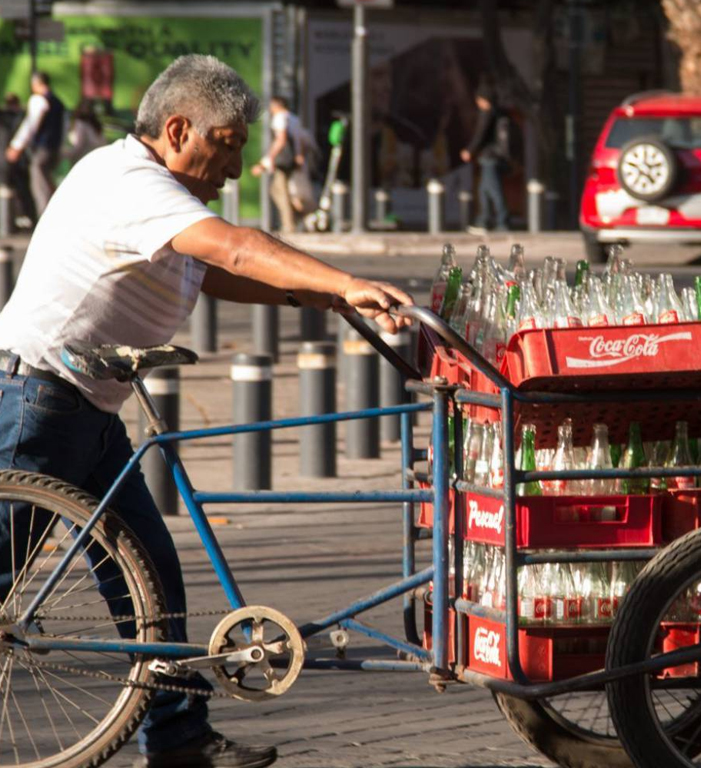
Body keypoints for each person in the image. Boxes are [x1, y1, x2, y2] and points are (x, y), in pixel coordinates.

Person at [0, 54, 412, 768]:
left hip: (87, 408)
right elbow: (237, 248)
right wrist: (345, 278)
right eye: (228, 143)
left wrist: (322, 296)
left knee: (150, 575)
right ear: (180, 128)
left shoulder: (154, 194)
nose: (238, 164)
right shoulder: (131, 181)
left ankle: (179, 740)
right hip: (39, 401)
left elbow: (213, 272)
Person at [5, 71, 65, 217]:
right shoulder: (58, 102)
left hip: (42, 148)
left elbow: (30, 125)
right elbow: (63, 127)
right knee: (48, 182)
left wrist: (17, 146)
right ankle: (59, 213)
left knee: (40, 185)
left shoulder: (39, 100)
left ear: (35, 83)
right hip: (54, 148)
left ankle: (46, 217)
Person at [250, 95, 310, 233]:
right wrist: (299, 156)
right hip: (292, 160)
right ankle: (296, 217)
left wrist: (268, 158)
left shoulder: (279, 118)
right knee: (285, 190)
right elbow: (300, 140)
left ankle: (289, 224)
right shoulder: (294, 118)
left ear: (276, 105)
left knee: (279, 191)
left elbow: (281, 140)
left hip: (283, 161)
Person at [460, 82, 511, 233]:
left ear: (483, 99)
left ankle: (502, 221)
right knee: (484, 190)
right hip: (492, 157)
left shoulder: (488, 114)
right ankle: (484, 220)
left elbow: (480, 135)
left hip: (490, 157)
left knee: (493, 190)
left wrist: (469, 150)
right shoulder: (498, 114)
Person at [0, 93, 35, 226]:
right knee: (24, 191)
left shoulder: (4, 118)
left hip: (7, 157)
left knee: (9, 190)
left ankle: (8, 223)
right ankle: (30, 217)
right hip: (21, 159)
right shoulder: (23, 116)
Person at [66, 98, 107, 166]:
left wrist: (66, 155)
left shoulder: (80, 123)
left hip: (86, 160)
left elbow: (79, 146)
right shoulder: (95, 124)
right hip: (99, 158)